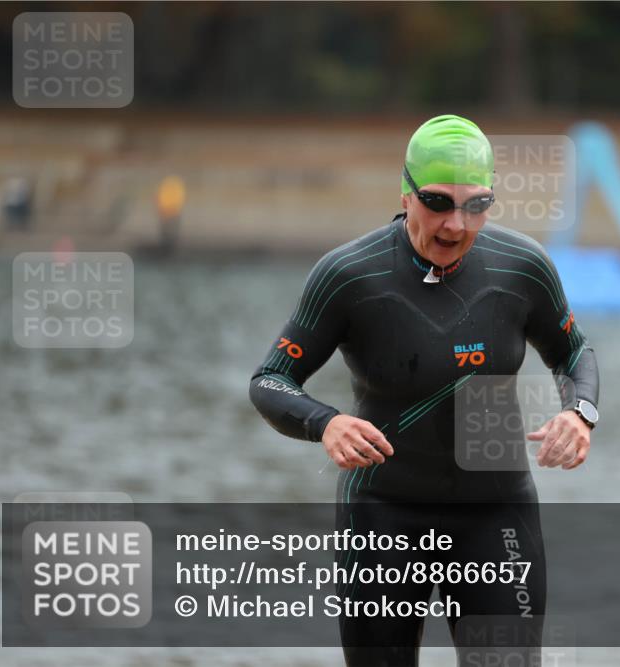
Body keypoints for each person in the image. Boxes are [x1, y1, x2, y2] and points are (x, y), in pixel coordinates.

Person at [249, 114, 600, 666]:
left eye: (476, 206)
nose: (456, 225)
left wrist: (579, 414)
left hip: (495, 513)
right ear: (406, 192)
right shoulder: (349, 274)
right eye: (438, 203)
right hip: (383, 512)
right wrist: (327, 422)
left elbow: (573, 353)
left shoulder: (523, 267)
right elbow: (270, 380)